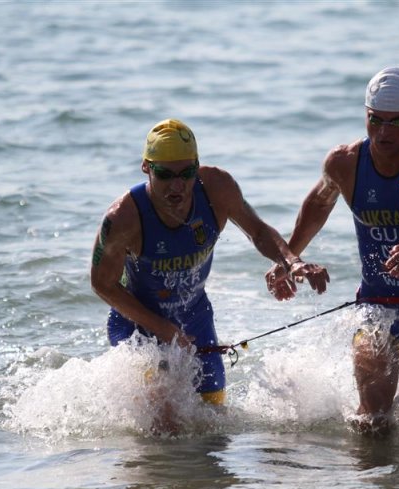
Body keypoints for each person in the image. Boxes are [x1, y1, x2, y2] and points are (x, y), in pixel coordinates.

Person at [266, 67, 399, 434]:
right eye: (375, 120)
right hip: (378, 306)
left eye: (395, 123)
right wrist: (288, 260)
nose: (383, 133)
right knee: (372, 422)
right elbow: (318, 205)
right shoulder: (345, 162)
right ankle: (372, 488)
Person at [90, 118, 329, 430]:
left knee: (211, 427)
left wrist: (291, 261)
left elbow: (256, 230)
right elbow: (102, 283)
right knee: (165, 427)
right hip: (139, 327)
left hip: (196, 319)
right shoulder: (123, 217)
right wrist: (165, 330)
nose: (177, 185)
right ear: (146, 168)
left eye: (186, 173)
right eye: (165, 175)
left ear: (197, 166)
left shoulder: (217, 187)